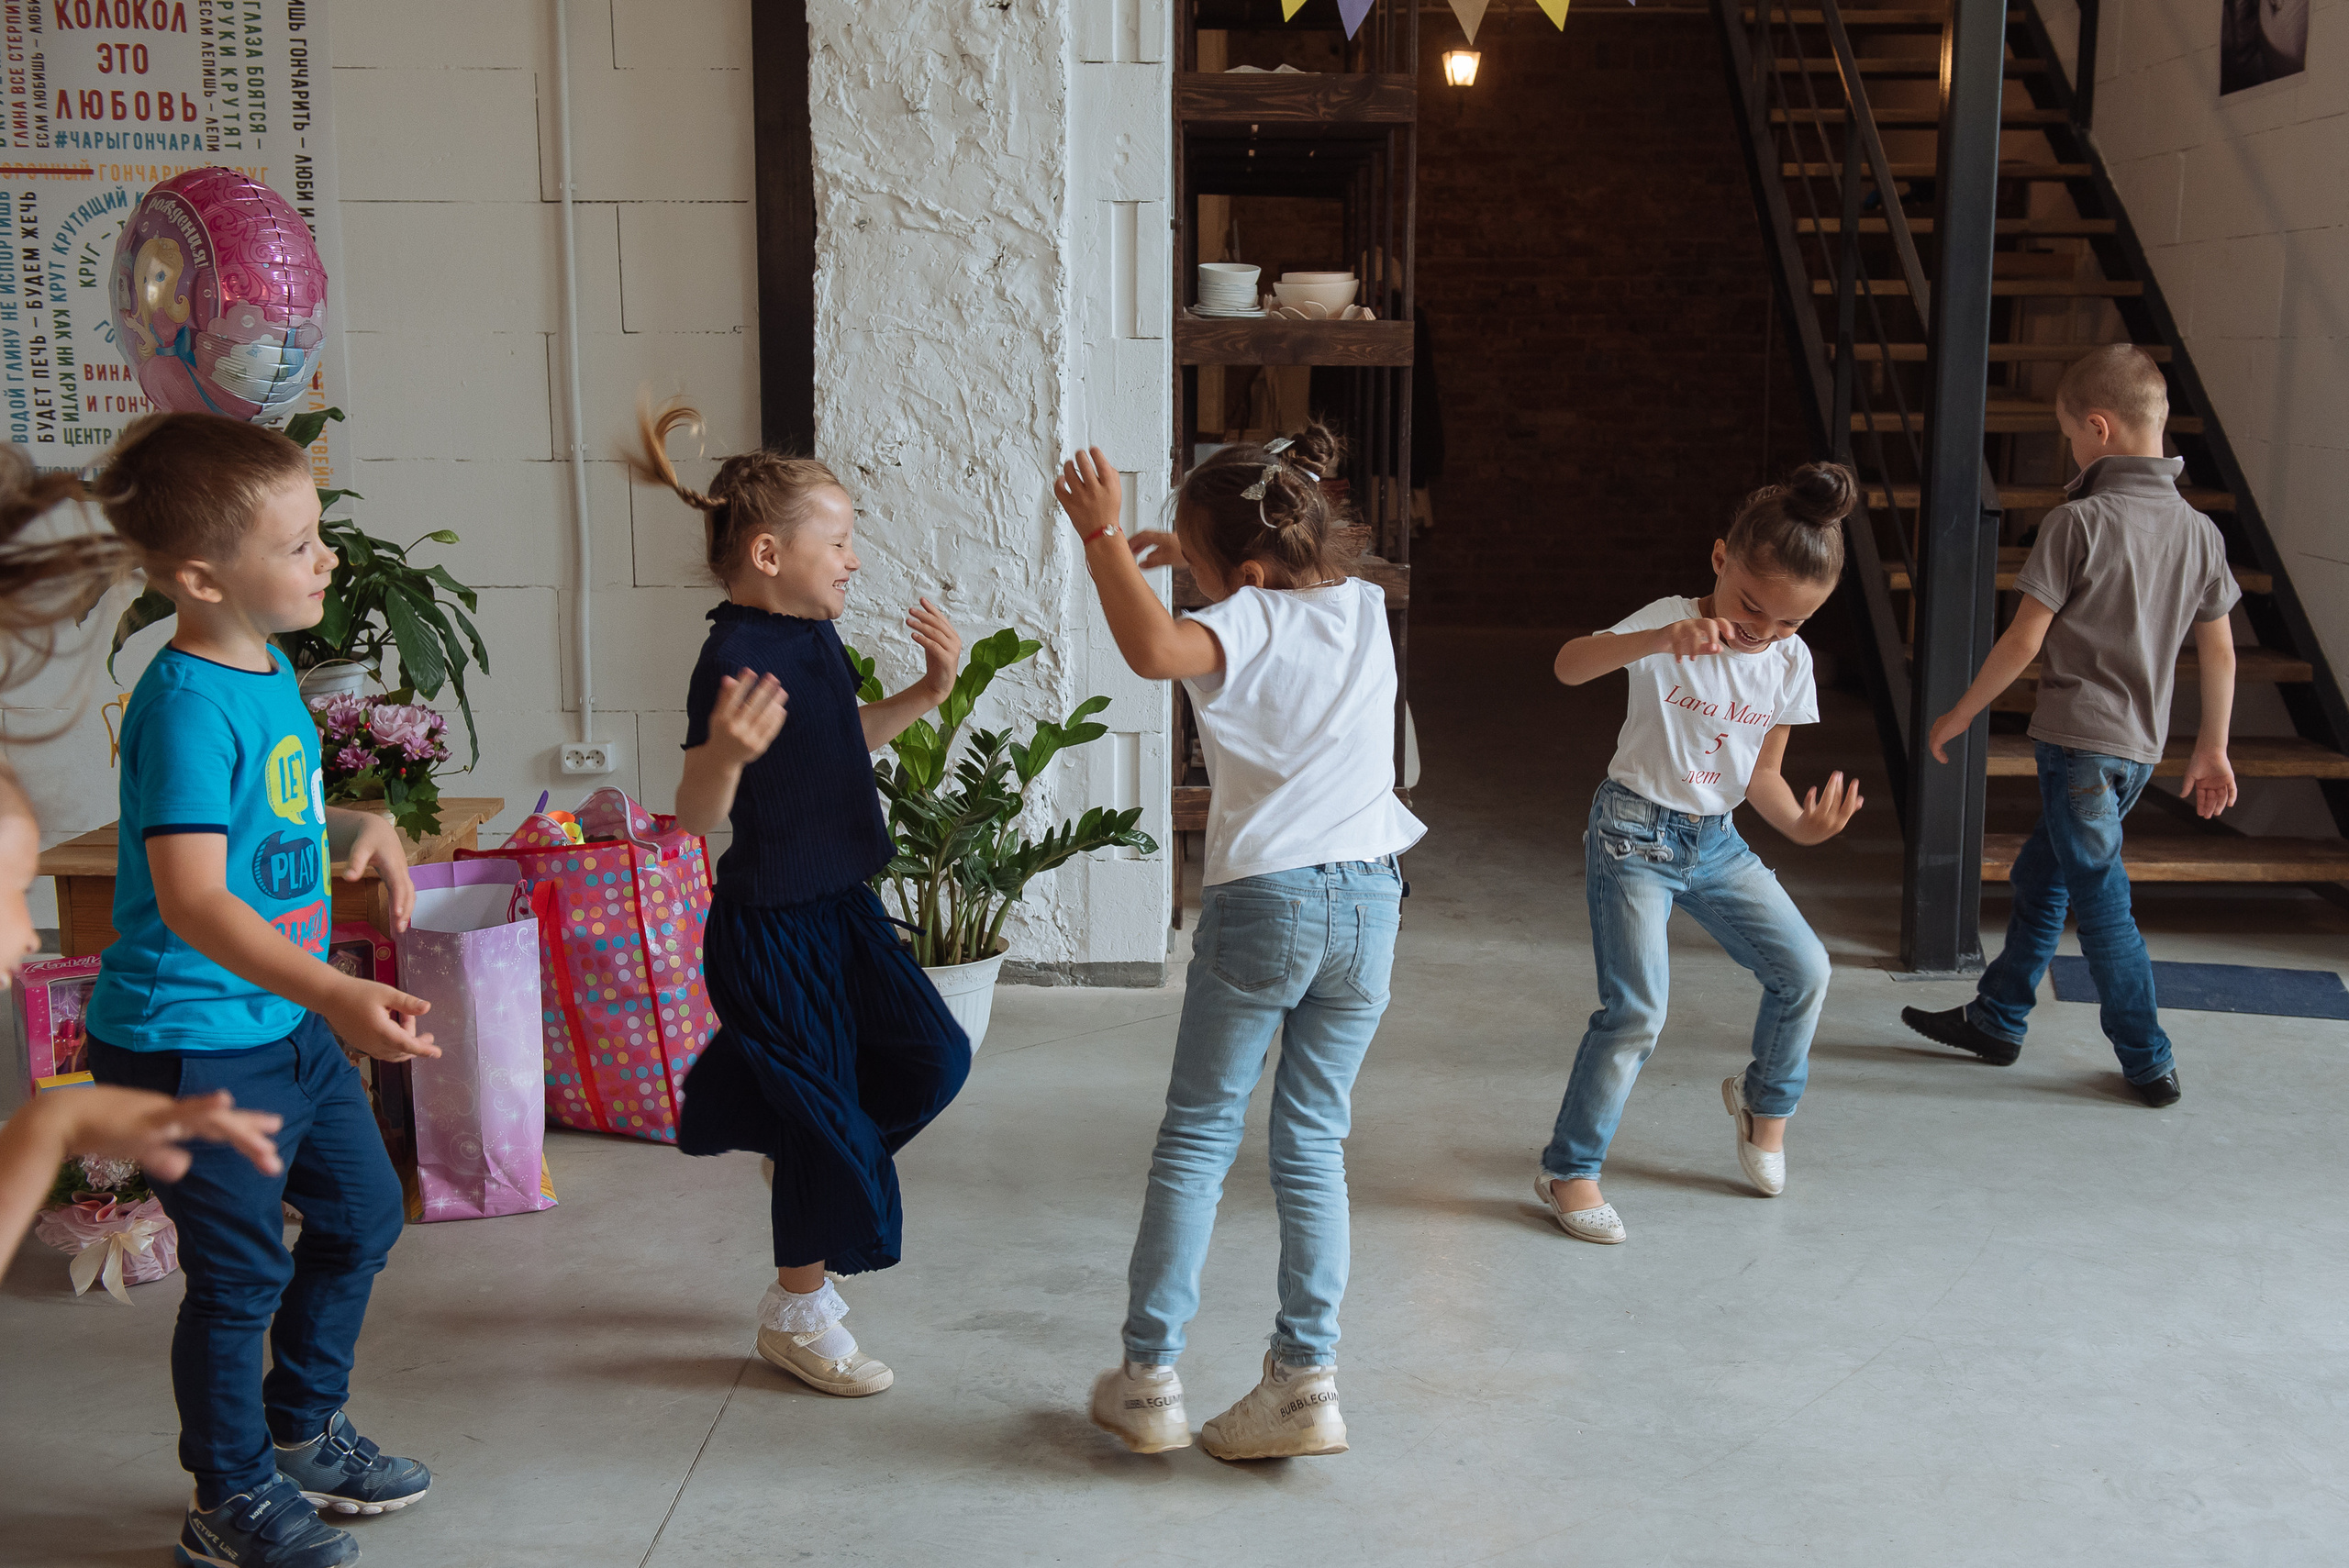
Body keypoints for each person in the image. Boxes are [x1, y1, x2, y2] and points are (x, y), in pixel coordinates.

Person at [74, 414, 443, 1568]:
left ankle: (300, 1427)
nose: (326, 557)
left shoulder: (266, 667)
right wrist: (334, 989)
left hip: (278, 1021)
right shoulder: (184, 702)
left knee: (362, 1214)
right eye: (297, 544)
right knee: (239, 1276)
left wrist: (357, 823)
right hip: (190, 1039)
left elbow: (258, 823)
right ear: (200, 577)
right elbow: (191, 897)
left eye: (317, 532)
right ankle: (226, 1494)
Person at [1058, 429, 1423, 1462]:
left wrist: (1105, 541)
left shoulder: (1247, 616)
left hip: (1270, 900)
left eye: (1202, 573)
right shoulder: (1363, 605)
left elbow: (1155, 650)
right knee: (1313, 1144)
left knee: (1198, 1138)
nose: (1196, 593)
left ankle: (1148, 1381)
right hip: (1371, 901)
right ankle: (1305, 1382)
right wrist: (1193, 548)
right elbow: (1268, 588)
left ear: (1247, 577)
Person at [630, 398, 971, 1399]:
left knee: (934, 1058)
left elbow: (835, 744)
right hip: (772, 932)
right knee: (824, 1129)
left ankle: (806, 1149)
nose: (854, 559)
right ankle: (800, 1312)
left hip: (841, 911)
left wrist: (927, 693)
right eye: (840, 540)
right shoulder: (732, 658)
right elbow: (697, 811)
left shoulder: (813, 633)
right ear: (769, 554)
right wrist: (725, 756)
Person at [1538, 464, 1866, 1245]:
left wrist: (1803, 828)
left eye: (1790, 620)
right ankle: (1568, 1169)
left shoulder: (1788, 661)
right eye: (1751, 605)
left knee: (1806, 969)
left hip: (1716, 840)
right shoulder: (1670, 621)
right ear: (1720, 558)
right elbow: (1568, 664)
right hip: (1632, 833)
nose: (1763, 630)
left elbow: (1763, 777)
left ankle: (1763, 1108)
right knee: (1637, 1009)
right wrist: (1659, 639)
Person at [1902, 344, 2237, 1107]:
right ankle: (1998, 1017)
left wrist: (1961, 712)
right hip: (2138, 752)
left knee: (2102, 905)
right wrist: (2212, 746)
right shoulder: (2200, 533)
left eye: (2069, 436)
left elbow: (2024, 639)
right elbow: (2219, 652)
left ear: (2098, 428)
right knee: (2041, 876)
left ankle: (2148, 1059)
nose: (2072, 450)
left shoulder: (2077, 521)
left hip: (2079, 748)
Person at [0, 450, 284, 1285]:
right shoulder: (184, 702)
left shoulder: (267, 678)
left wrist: (56, 1124)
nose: (29, 933)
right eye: (11, 892)